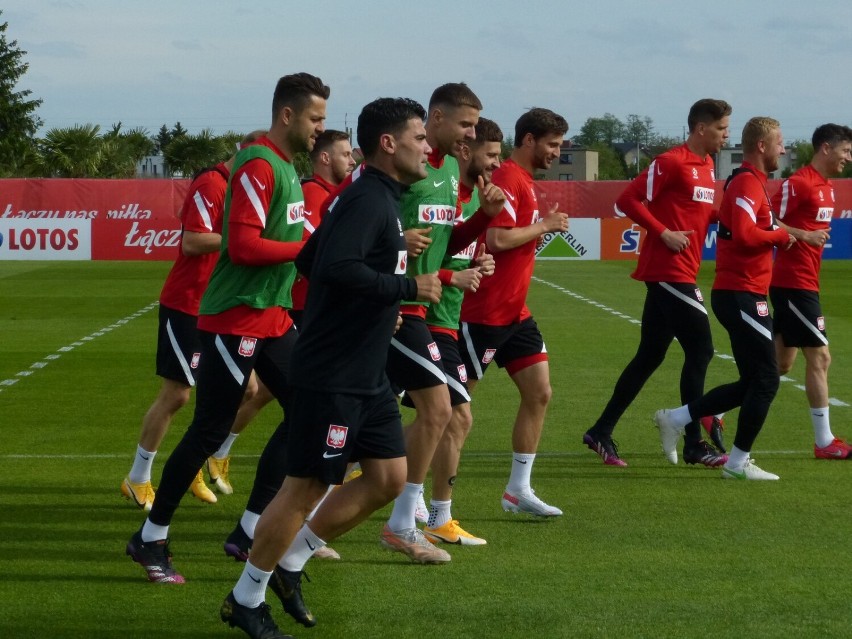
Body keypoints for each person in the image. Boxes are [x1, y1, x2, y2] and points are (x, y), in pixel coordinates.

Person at [219, 96, 442, 639]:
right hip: (335, 373)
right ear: (388, 144)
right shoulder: (369, 199)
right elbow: (336, 268)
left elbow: (309, 257)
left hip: (365, 372)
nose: (427, 147)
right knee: (304, 487)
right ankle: (246, 598)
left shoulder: (374, 197)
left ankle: (291, 566)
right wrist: (406, 288)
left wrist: (377, 305)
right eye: (419, 137)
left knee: (389, 478)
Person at [125, 72, 330, 584]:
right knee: (209, 428)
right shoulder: (259, 164)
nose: (319, 129)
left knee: (311, 406)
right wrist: (310, 253)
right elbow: (242, 247)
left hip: (272, 316)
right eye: (315, 118)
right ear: (287, 115)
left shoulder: (283, 166)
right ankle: (150, 538)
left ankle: (249, 529)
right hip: (235, 315)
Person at [382, 82, 505, 564]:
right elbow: (372, 231)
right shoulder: (402, 169)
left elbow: (442, 244)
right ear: (435, 119)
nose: (471, 136)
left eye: (476, 126)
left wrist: (480, 224)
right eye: (466, 125)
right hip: (398, 309)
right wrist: (398, 261)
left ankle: (407, 516)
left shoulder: (452, 168)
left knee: (440, 413)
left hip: (423, 310)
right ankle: (406, 518)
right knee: (438, 412)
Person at [121, 130, 266, 511]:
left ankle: (194, 467)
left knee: (247, 390)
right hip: (188, 304)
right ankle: (137, 479)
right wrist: (244, 238)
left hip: (220, 308)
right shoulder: (212, 183)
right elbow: (192, 241)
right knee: (177, 394)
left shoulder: (245, 189)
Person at [583, 99, 732, 468]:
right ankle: (695, 443)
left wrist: (728, 217)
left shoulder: (707, 165)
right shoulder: (671, 161)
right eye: (721, 128)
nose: (726, 136)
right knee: (701, 351)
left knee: (650, 356)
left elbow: (699, 211)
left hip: (683, 269)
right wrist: (663, 232)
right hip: (667, 270)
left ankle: (600, 431)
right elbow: (627, 200)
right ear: (701, 128)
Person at [211, 130, 355, 511]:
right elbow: (310, 257)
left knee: (282, 396)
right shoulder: (309, 193)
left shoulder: (322, 193)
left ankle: (248, 487)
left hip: (296, 308)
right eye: (345, 154)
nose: (351, 161)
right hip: (300, 308)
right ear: (325, 159)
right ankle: (220, 458)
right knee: (294, 399)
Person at [655, 116, 795, 480]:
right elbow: (747, 235)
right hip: (742, 293)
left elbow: (744, 229)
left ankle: (677, 418)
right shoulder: (748, 182)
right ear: (762, 146)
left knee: (753, 381)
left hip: (744, 292)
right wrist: (778, 237)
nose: (784, 149)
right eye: (780, 142)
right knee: (767, 379)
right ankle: (736, 463)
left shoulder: (752, 183)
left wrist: (778, 232)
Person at [458, 107, 569, 516]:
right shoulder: (507, 177)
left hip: (514, 313)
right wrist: (546, 226)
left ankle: (517, 491)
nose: (556, 153)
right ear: (529, 141)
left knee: (539, 393)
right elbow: (497, 239)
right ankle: (391, 478)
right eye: (552, 144)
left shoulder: (525, 181)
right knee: (448, 411)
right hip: (484, 312)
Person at [417, 117, 503, 546]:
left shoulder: (464, 192)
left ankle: (412, 500)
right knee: (453, 415)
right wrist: (454, 276)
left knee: (434, 416)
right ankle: (431, 514)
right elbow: (428, 259)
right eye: (491, 154)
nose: (496, 164)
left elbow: (450, 250)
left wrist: (476, 264)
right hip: (423, 316)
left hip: (446, 320)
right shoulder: (436, 183)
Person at [770, 123, 852, 459]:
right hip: (793, 283)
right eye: (845, 150)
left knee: (779, 365)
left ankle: (710, 413)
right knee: (821, 357)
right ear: (826, 148)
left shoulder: (827, 188)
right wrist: (803, 235)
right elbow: (764, 219)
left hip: (804, 281)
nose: (849, 157)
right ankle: (824, 442)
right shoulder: (799, 183)